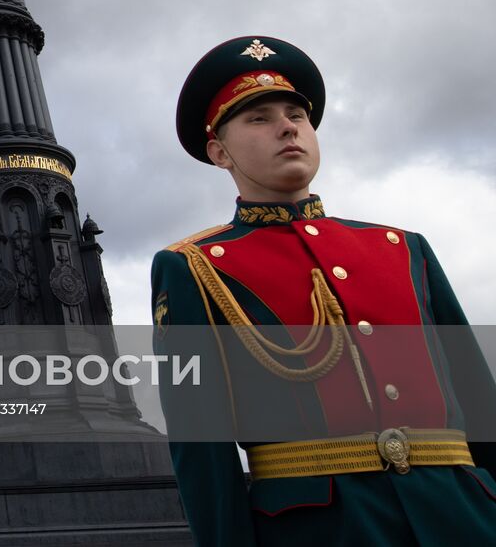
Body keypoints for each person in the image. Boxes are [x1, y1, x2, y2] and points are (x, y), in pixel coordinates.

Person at [151, 36, 496, 545]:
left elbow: (479, 402)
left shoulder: (403, 248)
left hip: (463, 516)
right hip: (322, 527)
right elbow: (202, 450)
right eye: (259, 118)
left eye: (296, 114)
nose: (287, 126)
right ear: (219, 151)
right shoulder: (194, 268)